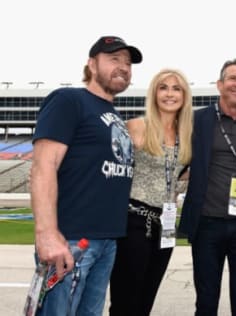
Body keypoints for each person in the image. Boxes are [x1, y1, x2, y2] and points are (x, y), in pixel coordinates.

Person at [30, 35, 142, 315]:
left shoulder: (113, 114)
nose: (123, 67)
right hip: (71, 240)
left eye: (127, 63)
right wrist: (46, 234)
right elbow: (43, 166)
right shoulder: (69, 100)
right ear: (92, 64)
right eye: (114, 59)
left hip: (107, 241)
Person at [178, 58, 236, 316]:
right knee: (206, 301)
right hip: (208, 221)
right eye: (233, 79)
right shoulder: (198, 120)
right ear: (219, 84)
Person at [109, 68, 193, 316]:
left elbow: (179, 179)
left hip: (165, 226)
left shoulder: (188, 136)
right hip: (134, 223)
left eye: (176, 88)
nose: (170, 94)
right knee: (126, 303)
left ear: (185, 95)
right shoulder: (136, 126)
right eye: (163, 87)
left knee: (146, 302)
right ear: (154, 93)